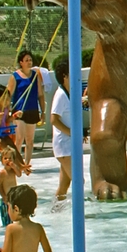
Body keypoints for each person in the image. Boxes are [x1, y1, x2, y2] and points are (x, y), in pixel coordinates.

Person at [5, 51, 46, 168]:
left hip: (32, 110)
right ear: (21, 62)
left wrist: (43, 111)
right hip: (19, 111)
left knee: (30, 140)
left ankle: (27, 164)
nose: (29, 62)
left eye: (30, 60)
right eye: (26, 60)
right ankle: (17, 162)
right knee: (19, 138)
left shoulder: (35, 76)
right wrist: (7, 113)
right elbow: (8, 94)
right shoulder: (15, 76)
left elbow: (40, 94)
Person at [49, 58, 72, 201]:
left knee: (65, 184)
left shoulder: (68, 93)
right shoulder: (60, 95)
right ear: (65, 76)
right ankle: (82, 214)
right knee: (78, 181)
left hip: (68, 145)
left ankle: (56, 211)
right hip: (63, 145)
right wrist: (72, 133)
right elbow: (53, 119)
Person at [0, 146, 24, 228]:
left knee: (16, 217)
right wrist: (3, 196)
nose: (8, 160)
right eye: (5, 158)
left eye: (10, 158)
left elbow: (19, 174)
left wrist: (14, 166)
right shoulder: (3, 173)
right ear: (2, 160)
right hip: (6, 198)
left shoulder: (13, 171)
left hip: (14, 198)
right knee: (7, 220)